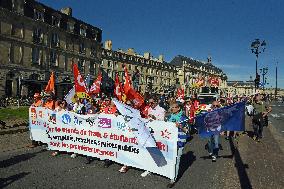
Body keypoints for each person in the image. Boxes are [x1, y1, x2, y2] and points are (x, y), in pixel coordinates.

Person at [167, 102, 190, 187]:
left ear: (179, 108)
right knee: (170, 159)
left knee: (176, 160)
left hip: (179, 142)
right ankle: (170, 174)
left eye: (174, 107)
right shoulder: (169, 117)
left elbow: (187, 131)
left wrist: (180, 127)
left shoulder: (183, 118)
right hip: (170, 141)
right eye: (171, 107)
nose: (172, 109)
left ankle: (173, 179)